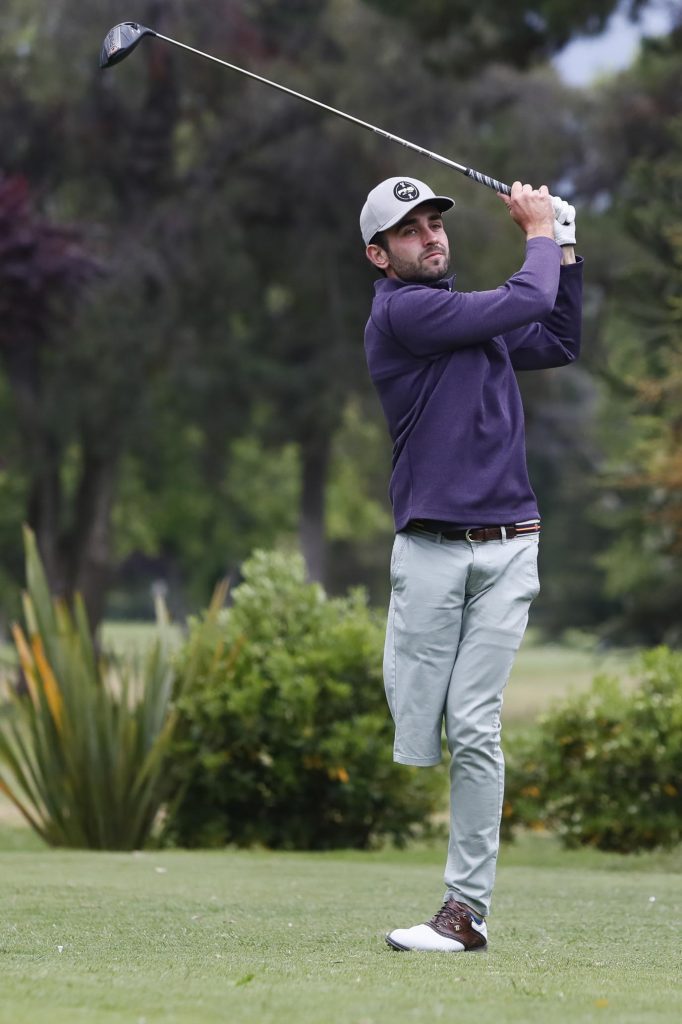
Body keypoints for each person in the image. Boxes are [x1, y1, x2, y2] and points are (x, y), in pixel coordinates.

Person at [360, 175, 583, 953]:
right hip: (429, 552)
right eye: (409, 230)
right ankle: (460, 903)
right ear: (379, 255)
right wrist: (539, 233)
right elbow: (524, 298)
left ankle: (464, 914)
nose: (430, 237)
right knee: (419, 727)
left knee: (474, 724)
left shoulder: (470, 321)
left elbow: (555, 336)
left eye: (434, 223)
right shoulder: (404, 315)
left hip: (510, 547)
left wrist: (566, 243)